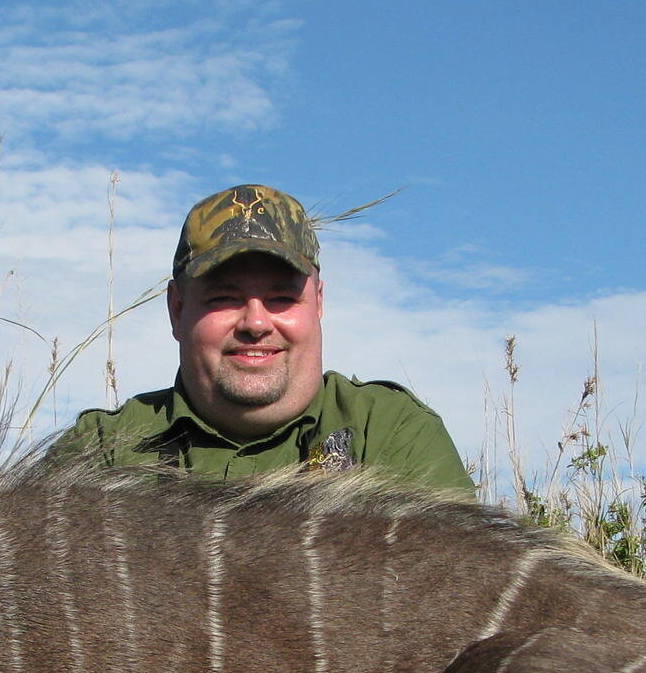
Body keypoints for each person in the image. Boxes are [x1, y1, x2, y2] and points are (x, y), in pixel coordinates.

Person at [51, 184, 475, 496]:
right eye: (224, 297)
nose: (256, 322)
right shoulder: (102, 450)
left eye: (281, 298)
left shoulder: (386, 431)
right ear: (177, 309)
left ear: (319, 303)